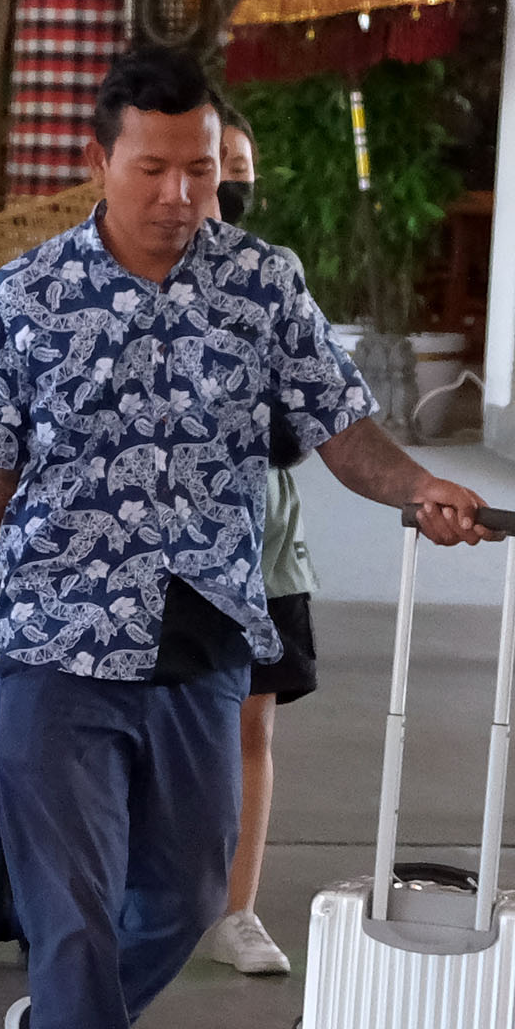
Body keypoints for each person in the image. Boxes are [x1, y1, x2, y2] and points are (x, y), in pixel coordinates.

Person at [0, 51, 493, 1029]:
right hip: (57, 635)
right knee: (70, 916)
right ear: (99, 161)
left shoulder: (262, 284)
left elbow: (342, 427)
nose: (179, 193)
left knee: (188, 892)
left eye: (199, 170)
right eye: (153, 167)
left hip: (203, 628)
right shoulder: (30, 294)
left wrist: (415, 484)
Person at [211, 109, 315, 977]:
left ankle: (236, 910)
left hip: (267, 542)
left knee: (252, 729)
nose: (228, 182)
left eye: (240, 166)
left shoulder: (276, 275)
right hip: (156, 553)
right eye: (218, 164)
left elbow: (304, 411)